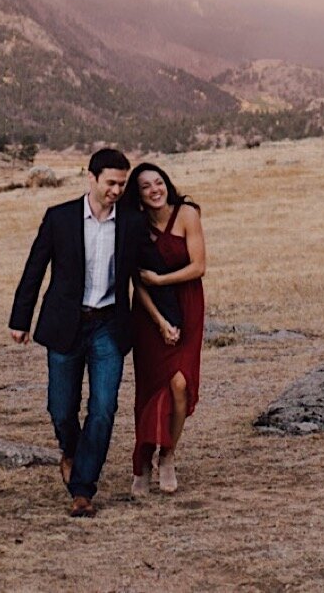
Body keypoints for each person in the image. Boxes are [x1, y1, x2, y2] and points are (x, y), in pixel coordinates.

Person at [9, 148, 145, 517]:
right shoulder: (60, 218)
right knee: (60, 408)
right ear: (92, 178)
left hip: (108, 327)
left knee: (103, 408)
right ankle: (70, 450)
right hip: (65, 326)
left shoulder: (132, 222)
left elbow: (148, 273)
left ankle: (83, 490)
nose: (117, 190)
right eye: (111, 182)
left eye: (123, 183)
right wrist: (20, 319)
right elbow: (34, 269)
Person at [124, 161, 206, 497]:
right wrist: (158, 321)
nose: (155, 190)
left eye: (159, 182)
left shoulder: (186, 214)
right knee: (149, 389)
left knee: (180, 384)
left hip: (186, 305)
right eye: (146, 186)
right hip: (148, 313)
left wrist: (162, 279)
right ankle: (142, 463)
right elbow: (137, 282)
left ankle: (168, 456)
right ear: (138, 194)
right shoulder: (135, 225)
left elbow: (199, 267)